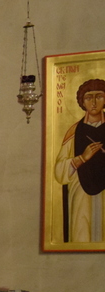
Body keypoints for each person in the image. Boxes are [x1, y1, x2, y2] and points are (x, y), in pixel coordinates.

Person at [54, 78, 105, 243]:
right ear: (82, 102)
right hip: (81, 195)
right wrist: (82, 158)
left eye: (99, 96)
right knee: (81, 235)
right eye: (89, 98)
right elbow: (59, 171)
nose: (94, 103)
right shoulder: (74, 132)